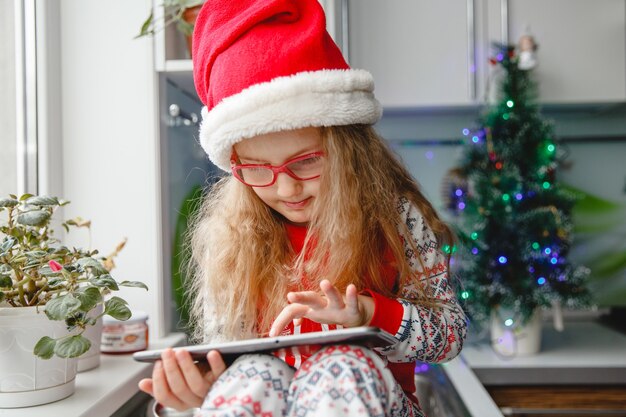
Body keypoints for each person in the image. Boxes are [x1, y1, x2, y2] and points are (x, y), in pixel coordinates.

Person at [139, 1, 467, 416]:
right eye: (257, 169)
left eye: (306, 161)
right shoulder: (232, 239)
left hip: (378, 399)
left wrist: (369, 312)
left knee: (342, 365)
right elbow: (227, 360)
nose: (286, 187)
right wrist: (198, 396)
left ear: (348, 151)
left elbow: (450, 335)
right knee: (252, 375)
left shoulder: (395, 219)